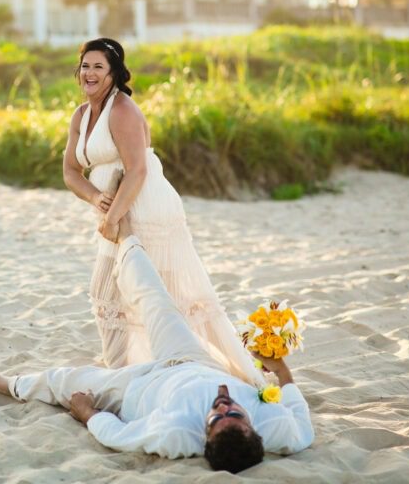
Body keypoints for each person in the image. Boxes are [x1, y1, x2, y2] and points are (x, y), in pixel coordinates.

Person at [0, 217, 314, 473]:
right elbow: (298, 411)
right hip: (190, 359)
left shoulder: (174, 435)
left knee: (69, 380)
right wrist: (280, 369)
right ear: (253, 429)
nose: (225, 404)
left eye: (218, 416)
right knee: (157, 300)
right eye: (236, 413)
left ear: (204, 434)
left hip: (138, 386)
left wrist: (87, 414)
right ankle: (125, 238)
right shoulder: (281, 430)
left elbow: (120, 436)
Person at [62, 37, 262, 385]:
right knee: (112, 292)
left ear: (114, 74)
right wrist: (96, 199)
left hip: (145, 205)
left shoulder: (122, 109)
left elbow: (137, 170)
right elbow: (69, 172)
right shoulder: (80, 115)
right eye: (85, 66)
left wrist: (112, 219)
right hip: (114, 208)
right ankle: (126, 372)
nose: (90, 73)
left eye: (98, 67)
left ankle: (182, 370)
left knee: (158, 291)